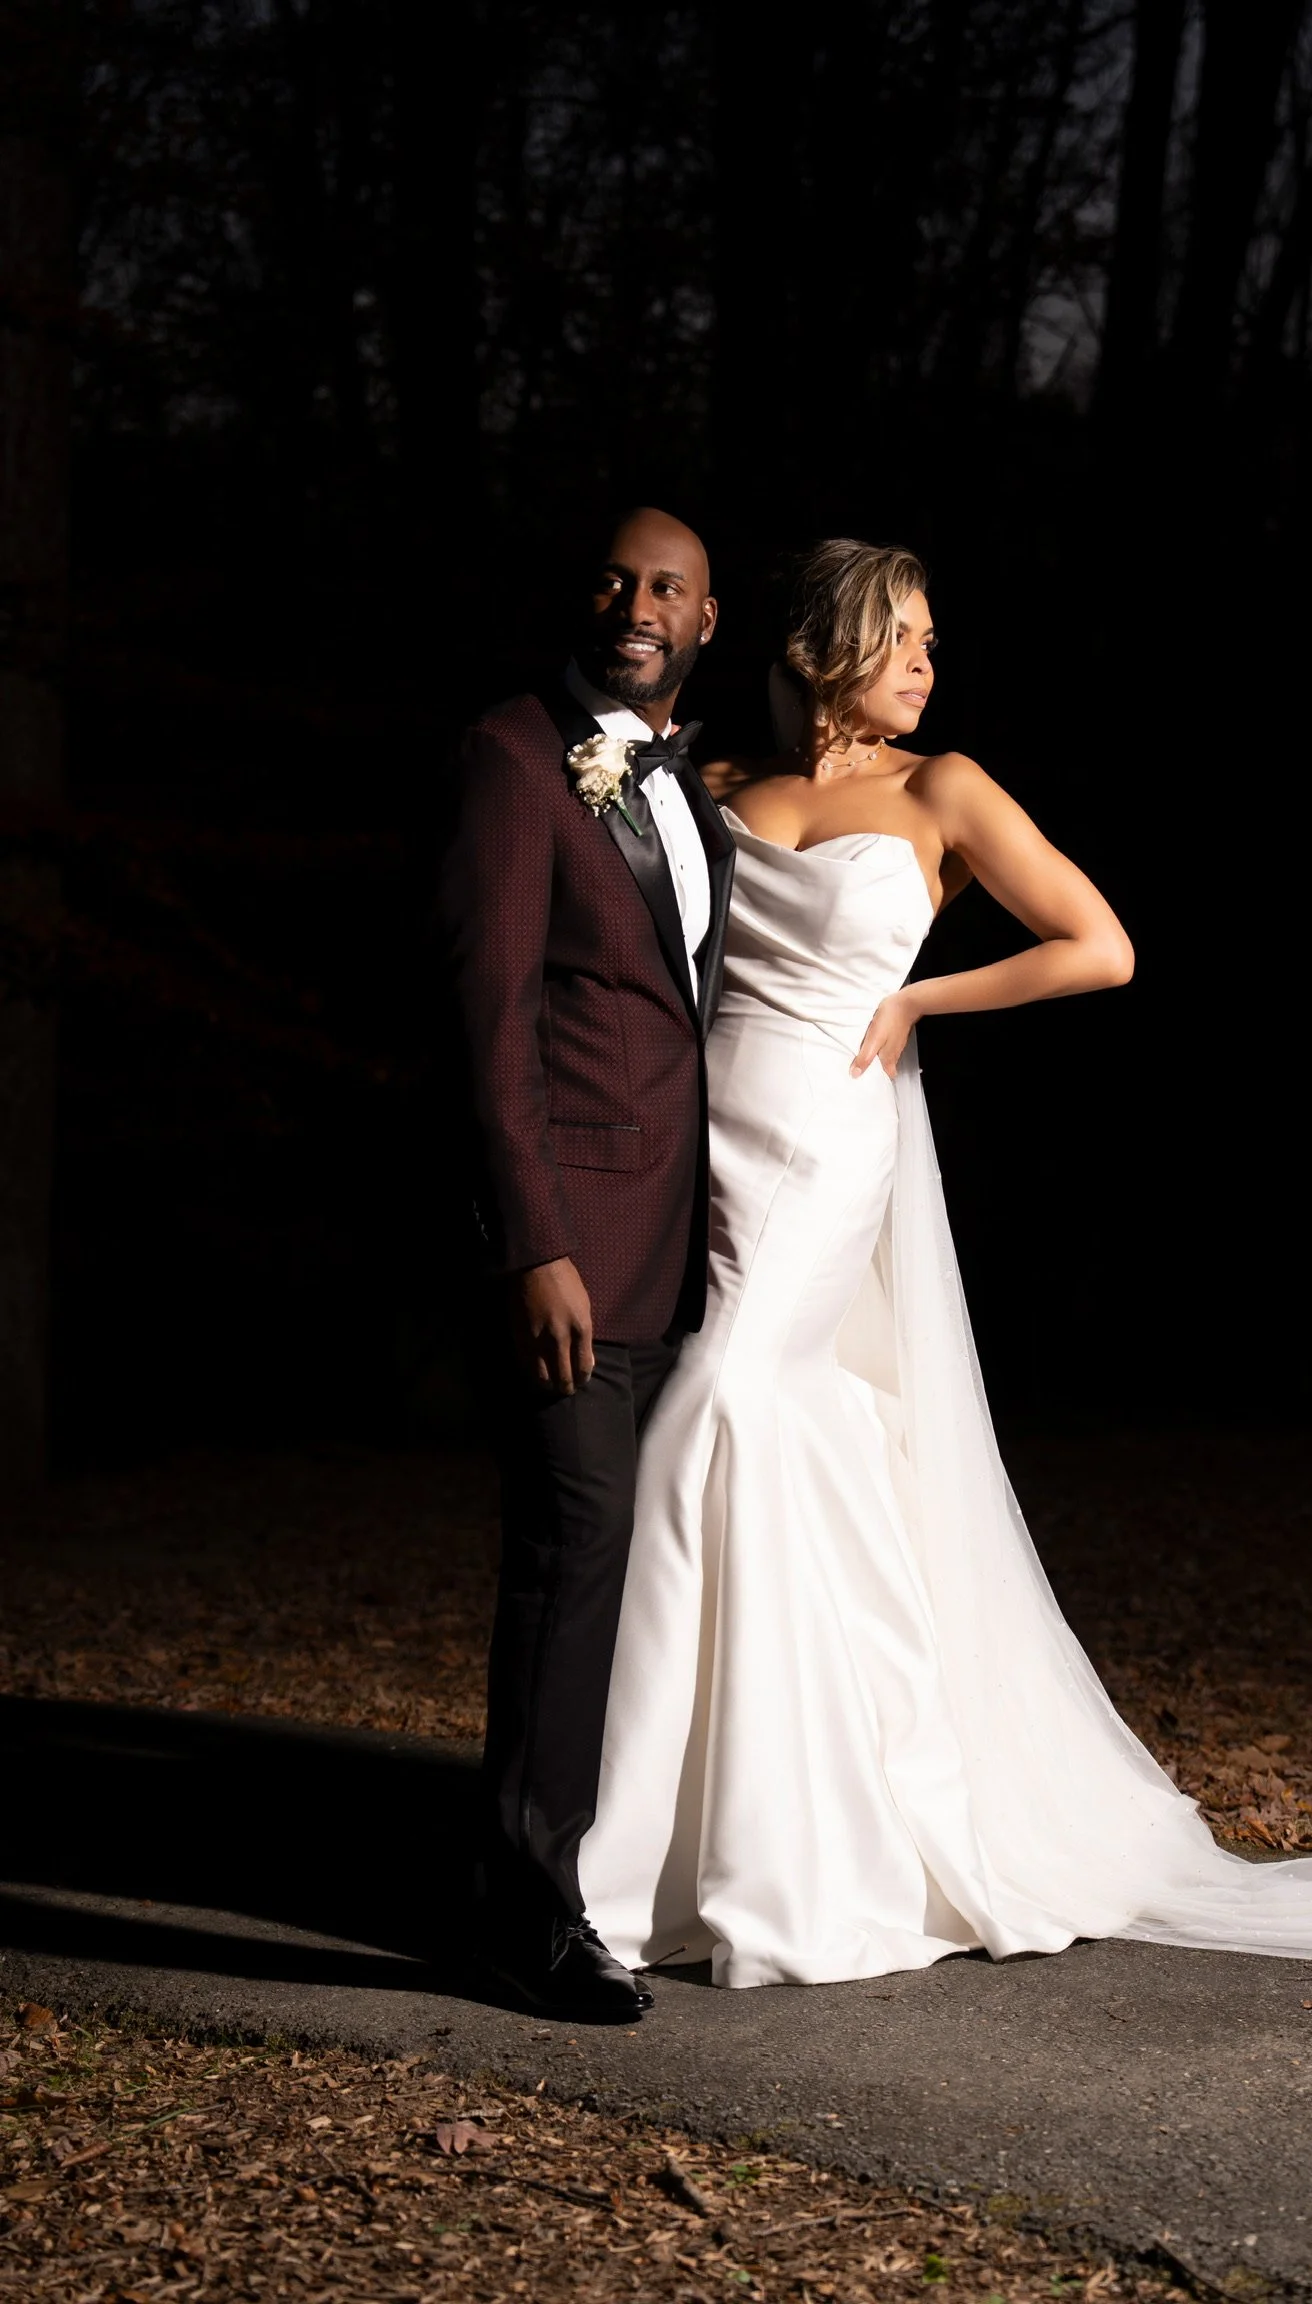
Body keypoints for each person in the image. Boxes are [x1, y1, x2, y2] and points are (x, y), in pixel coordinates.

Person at [579, 536, 1312, 1991]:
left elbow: (1102, 946)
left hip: (830, 1138)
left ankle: (655, 1858)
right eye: (907, 636)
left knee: (717, 1406)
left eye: (932, 641)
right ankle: (768, 1818)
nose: (928, 663)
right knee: (781, 1436)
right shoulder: (713, 783)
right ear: (833, 643)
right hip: (710, 1138)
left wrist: (921, 1002)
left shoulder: (942, 790)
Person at [444, 507, 735, 2020]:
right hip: (568, 1254)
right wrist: (534, 1241)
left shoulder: (699, 787)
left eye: (667, 587)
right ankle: (523, 1914)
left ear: (704, 619)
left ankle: (586, 1874)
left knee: (630, 1565)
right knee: (572, 1553)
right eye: (618, 579)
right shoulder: (513, 755)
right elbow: (489, 1018)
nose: (638, 604)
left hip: (684, 1248)